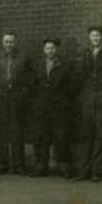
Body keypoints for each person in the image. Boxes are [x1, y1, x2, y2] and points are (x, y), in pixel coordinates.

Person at [71, 26, 102, 182]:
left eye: (98, 36)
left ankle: (97, 171)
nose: (95, 38)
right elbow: (81, 75)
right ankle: (83, 170)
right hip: (89, 94)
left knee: (101, 133)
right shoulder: (86, 54)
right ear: (89, 38)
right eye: (92, 36)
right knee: (87, 133)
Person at [0, 32, 39, 175]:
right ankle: (2, 164)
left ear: (16, 42)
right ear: (2, 42)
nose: (9, 45)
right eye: (6, 42)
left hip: (17, 96)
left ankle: (18, 165)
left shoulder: (24, 57)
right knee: (1, 131)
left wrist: (26, 87)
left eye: (12, 42)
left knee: (17, 130)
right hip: (1, 96)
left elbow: (34, 72)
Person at [26, 38, 75, 178]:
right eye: (48, 48)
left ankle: (64, 167)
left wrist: (64, 98)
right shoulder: (38, 66)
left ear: (57, 50)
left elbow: (73, 84)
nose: (50, 51)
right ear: (44, 50)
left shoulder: (65, 65)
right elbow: (31, 84)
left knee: (61, 136)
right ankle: (40, 166)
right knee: (41, 136)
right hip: (41, 107)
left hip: (60, 106)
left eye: (53, 48)